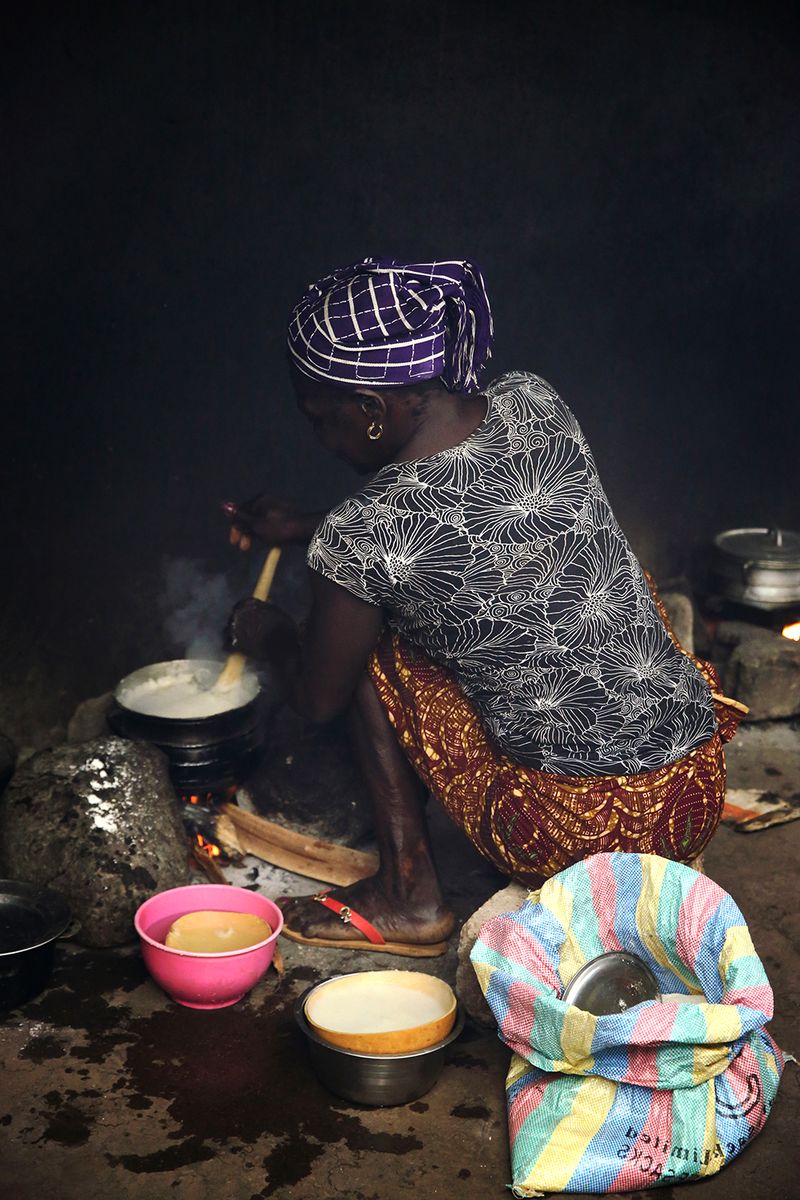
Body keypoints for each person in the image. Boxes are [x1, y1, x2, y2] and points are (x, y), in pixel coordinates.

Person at [224, 257, 744, 957]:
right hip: (691, 795)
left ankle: (409, 896)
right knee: (587, 568)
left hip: (575, 834)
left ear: (372, 411)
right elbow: (458, 511)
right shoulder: (533, 399)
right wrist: (304, 526)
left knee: (362, 640)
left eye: (321, 418)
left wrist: (273, 632)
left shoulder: (362, 535)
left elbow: (318, 698)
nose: (319, 437)